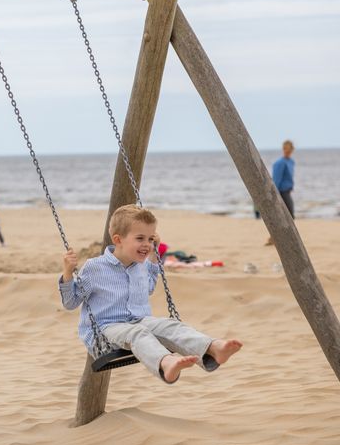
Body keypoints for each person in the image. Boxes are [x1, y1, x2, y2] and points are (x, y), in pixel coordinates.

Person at [59, 204, 242, 383]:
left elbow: (148, 288)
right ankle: (166, 363)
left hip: (140, 320)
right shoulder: (95, 268)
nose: (146, 244)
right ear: (118, 240)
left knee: (170, 326)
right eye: (140, 238)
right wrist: (68, 273)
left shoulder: (142, 265)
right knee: (138, 333)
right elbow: (70, 302)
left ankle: (212, 348)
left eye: (150, 239)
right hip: (104, 330)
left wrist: (154, 254)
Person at [266, 140, 296, 245]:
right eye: (285, 149)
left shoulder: (291, 162)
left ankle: (280, 238)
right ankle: (275, 238)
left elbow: (289, 177)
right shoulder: (279, 163)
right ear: (283, 149)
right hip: (280, 192)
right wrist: (275, 196)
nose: (287, 151)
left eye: (289, 149)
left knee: (288, 215)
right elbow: (276, 180)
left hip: (287, 191)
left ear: (292, 150)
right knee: (286, 215)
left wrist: (291, 186)